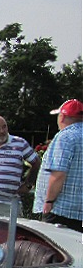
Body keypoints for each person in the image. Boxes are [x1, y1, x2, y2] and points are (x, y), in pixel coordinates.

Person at [33, 99, 83, 232]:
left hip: (60, 209)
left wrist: (49, 201)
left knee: (52, 250)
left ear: (62, 117)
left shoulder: (65, 137)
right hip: (79, 210)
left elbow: (58, 173)